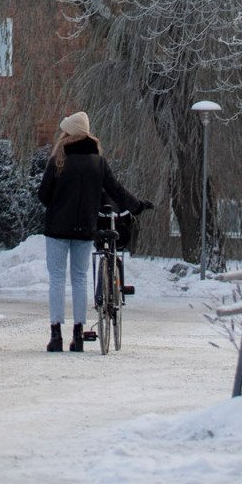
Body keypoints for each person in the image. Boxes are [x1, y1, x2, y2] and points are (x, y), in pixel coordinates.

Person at [37, 110, 150, 352]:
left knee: (57, 279)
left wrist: (58, 205)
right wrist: (137, 205)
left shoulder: (59, 158)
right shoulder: (98, 162)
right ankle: (78, 334)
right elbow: (115, 190)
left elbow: (43, 194)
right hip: (85, 228)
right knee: (79, 279)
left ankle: (55, 334)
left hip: (57, 227)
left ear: (69, 134)